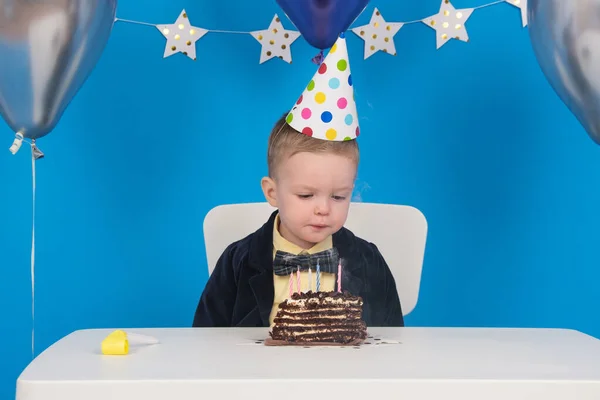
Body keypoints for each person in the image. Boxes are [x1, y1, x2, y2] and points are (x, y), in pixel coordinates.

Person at [192, 33, 403, 328]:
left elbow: (393, 340)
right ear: (272, 192)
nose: (323, 209)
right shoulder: (238, 262)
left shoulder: (368, 261)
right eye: (306, 195)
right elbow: (205, 338)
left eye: (339, 196)